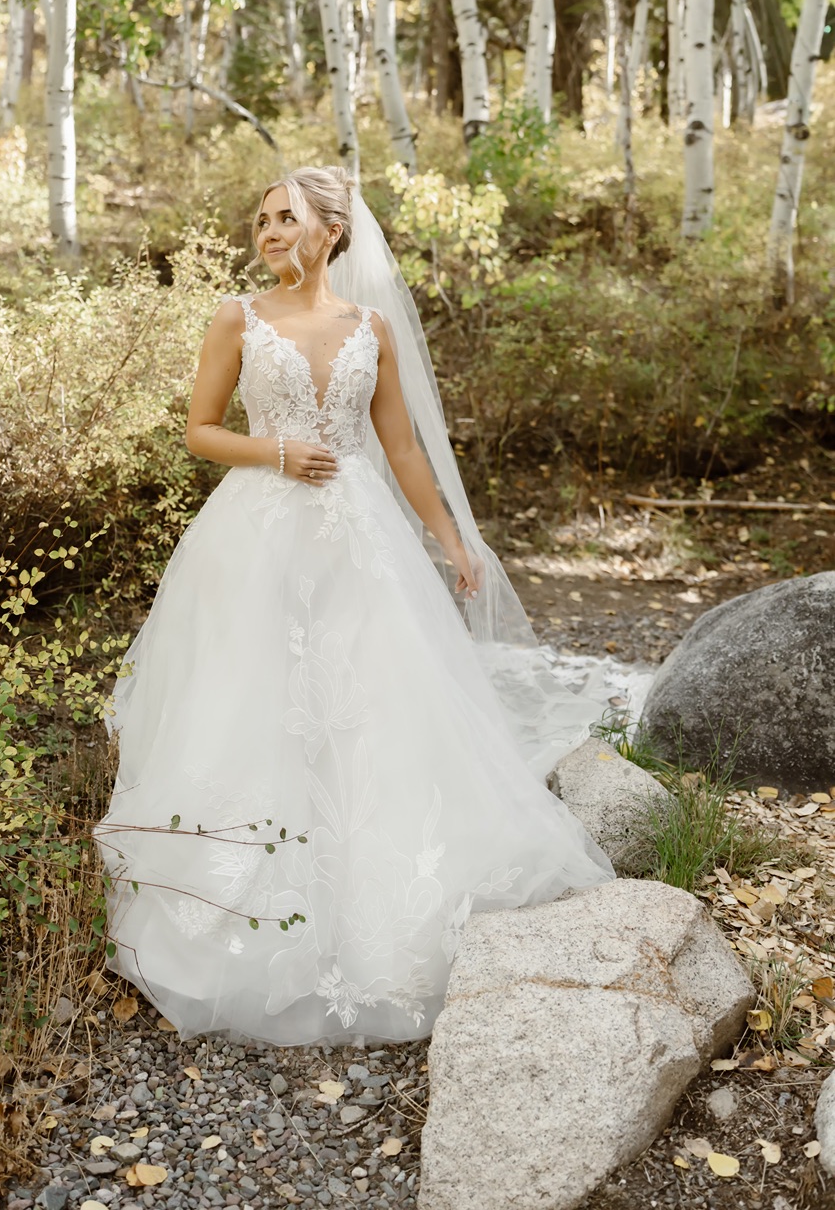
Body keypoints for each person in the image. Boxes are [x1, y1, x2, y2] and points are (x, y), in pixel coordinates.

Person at [94, 166, 615, 1047]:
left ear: (332, 232)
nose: (267, 232)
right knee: (255, 701)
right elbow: (199, 430)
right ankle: (244, 900)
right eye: (260, 219)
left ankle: (376, 906)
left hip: (361, 543)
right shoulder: (238, 316)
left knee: (369, 704)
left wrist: (452, 540)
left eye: (285, 218)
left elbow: (401, 445)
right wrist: (276, 451)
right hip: (256, 537)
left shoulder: (370, 327)